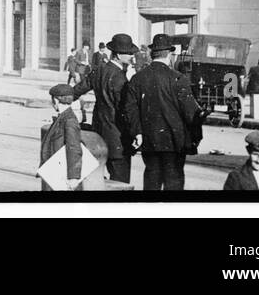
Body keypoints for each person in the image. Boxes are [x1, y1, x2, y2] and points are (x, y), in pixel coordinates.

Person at [121, 33, 204, 191]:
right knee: (174, 181)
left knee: (151, 178)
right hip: (174, 142)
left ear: (152, 54)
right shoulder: (179, 79)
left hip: (149, 139)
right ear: (170, 55)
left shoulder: (137, 78)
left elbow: (129, 109)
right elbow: (190, 113)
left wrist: (137, 133)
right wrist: (195, 137)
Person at [73, 32, 136, 183]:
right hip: (118, 138)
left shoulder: (99, 70)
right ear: (118, 55)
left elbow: (77, 90)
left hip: (98, 133)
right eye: (128, 53)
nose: (131, 56)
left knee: (97, 181)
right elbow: (125, 109)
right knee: (120, 182)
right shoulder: (120, 78)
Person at [39, 85, 84, 191]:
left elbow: (74, 148)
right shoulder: (63, 117)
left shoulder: (69, 120)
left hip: (61, 176)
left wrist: (73, 177)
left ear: (56, 100)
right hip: (55, 172)